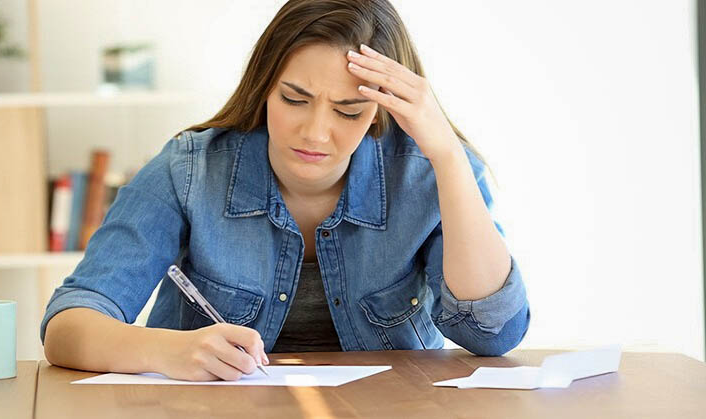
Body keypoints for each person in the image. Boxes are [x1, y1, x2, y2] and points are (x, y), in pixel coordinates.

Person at [41, 0, 530, 382]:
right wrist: (166, 350)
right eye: (295, 99)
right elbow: (68, 326)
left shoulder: (425, 173)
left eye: (347, 111)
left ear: (380, 112)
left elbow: (493, 333)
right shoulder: (190, 170)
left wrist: (448, 156)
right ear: (264, 87)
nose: (316, 133)